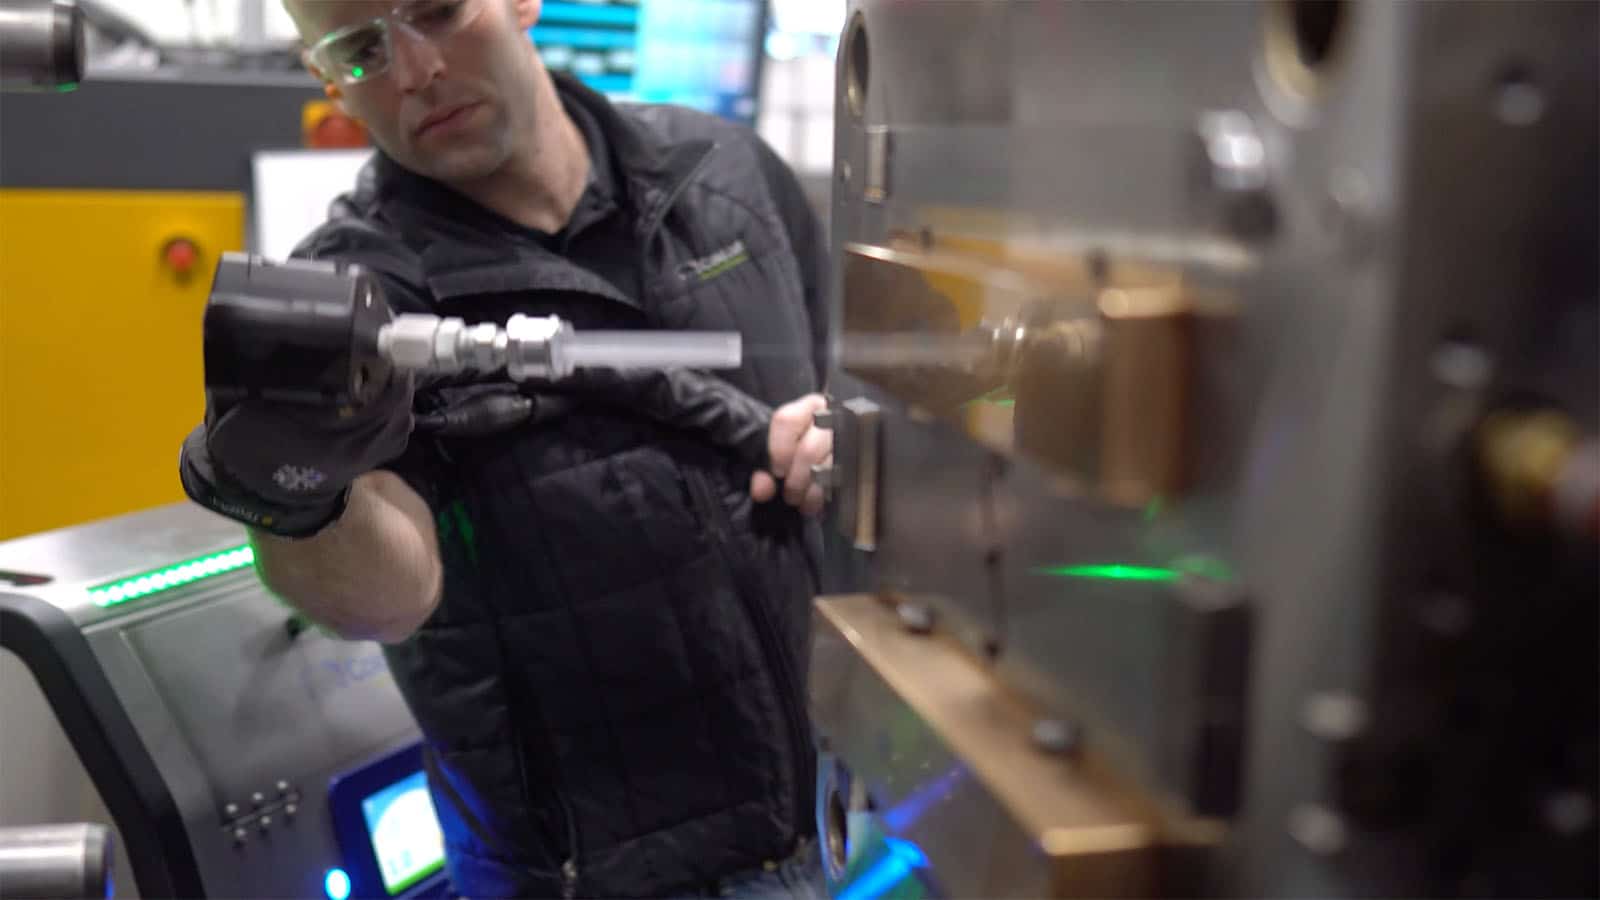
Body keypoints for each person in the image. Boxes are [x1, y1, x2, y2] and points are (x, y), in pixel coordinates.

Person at [177, 1, 835, 896]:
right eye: (361, 50)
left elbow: (855, 388)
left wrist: (835, 439)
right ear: (325, 78)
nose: (415, 71)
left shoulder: (726, 174)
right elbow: (384, 601)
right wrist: (294, 486)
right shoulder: (362, 300)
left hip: (838, 811)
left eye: (439, 11)